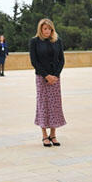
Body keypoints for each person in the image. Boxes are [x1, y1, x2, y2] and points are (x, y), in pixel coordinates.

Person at [29, 18, 66, 147]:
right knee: (43, 104)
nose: (47, 31)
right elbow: (34, 61)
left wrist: (55, 75)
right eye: (45, 29)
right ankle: (44, 135)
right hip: (42, 77)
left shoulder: (57, 41)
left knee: (55, 105)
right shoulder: (34, 42)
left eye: (49, 29)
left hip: (55, 78)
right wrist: (46, 75)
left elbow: (61, 60)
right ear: (40, 29)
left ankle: (53, 134)